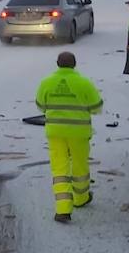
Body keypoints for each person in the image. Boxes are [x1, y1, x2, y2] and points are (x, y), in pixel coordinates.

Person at [35, 51, 104, 223]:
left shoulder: (46, 82)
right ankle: (81, 199)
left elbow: (40, 105)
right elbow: (97, 107)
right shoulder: (84, 83)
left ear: (57, 63)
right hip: (79, 134)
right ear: (75, 64)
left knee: (60, 170)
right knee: (80, 166)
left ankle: (63, 210)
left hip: (55, 133)